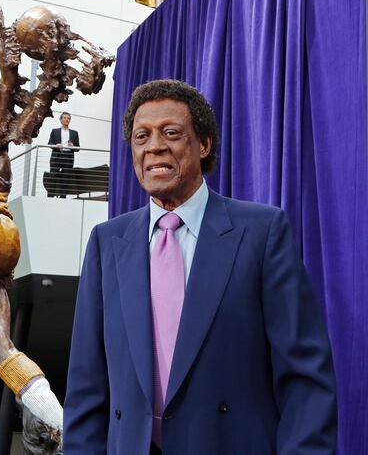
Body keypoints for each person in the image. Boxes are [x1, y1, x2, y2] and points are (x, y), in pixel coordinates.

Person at [63, 79, 337, 454]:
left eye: (171, 133)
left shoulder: (261, 232)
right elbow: (85, 388)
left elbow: (305, 378)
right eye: (141, 137)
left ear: (203, 144)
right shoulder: (106, 243)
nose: (154, 146)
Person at [48, 112, 80, 198]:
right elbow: (50, 143)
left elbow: (78, 148)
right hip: (57, 156)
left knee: (65, 179)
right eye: (65, 118)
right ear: (61, 120)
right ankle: (50, 198)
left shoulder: (74, 133)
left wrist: (73, 146)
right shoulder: (55, 131)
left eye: (68, 118)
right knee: (52, 178)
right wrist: (56, 146)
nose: (67, 120)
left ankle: (63, 198)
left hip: (68, 157)